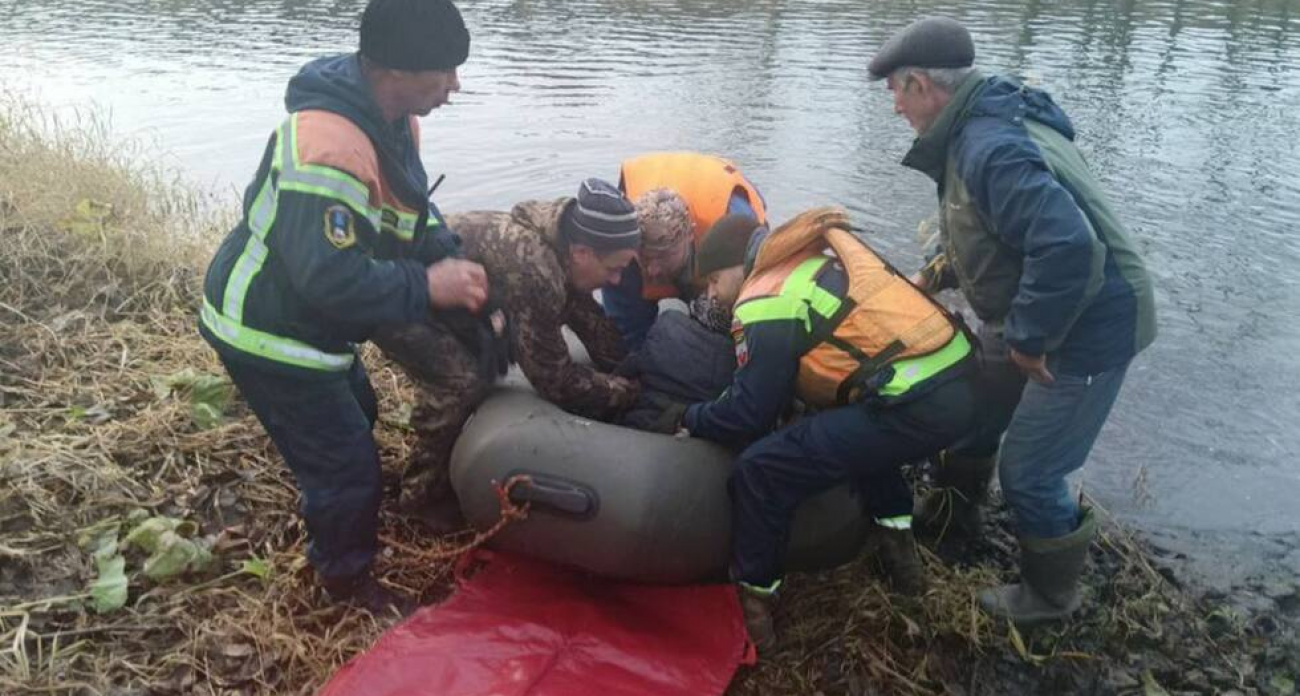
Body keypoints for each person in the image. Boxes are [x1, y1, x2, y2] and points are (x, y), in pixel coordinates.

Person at [869, 16, 1157, 625]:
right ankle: (954, 515)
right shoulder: (973, 126)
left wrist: (1028, 340)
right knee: (972, 401)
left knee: (1032, 468)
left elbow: (1070, 248)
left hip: (1091, 321)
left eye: (895, 90)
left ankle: (1051, 597)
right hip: (1044, 300)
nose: (894, 106)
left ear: (921, 84)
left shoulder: (989, 146)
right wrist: (939, 270)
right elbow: (989, 229)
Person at [198, 0, 483, 613]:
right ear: (400, 70)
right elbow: (327, 279)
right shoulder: (328, 146)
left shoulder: (395, 121)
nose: (455, 86)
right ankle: (345, 583)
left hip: (310, 324)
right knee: (351, 468)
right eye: (445, 71)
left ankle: (331, 493)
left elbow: (410, 205)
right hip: (265, 327)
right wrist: (428, 287)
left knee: (360, 408)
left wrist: (443, 250)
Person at [658, 210, 978, 653]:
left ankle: (754, 610)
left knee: (761, 469)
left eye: (713, 281)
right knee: (862, 442)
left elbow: (748, 414)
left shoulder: (763, 297)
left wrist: (689, 417)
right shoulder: (810, 261)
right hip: (955, 379)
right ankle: (901, 559)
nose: (713, 293)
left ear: (736, 266)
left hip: (912, 402)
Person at [375, 178, 643, 529]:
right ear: (582, 253)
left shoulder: (565, 239)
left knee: (477, 367)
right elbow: (554, 379)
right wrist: (625, 394)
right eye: (613, 269)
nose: (617, 281)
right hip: (398, 296)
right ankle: (419, 499)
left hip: (448, 295)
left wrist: (630, 365)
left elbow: (587, 317)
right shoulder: (537, 271)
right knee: (460, 382)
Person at [602, 152, 768, 350]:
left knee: (722, 321)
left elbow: (755, 305)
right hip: (661, 189)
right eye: (645, 257)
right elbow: (623, 323)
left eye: (663, 256)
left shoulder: (734, 225)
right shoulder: (625, 243)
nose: (652, 270)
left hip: (717, 191)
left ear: (690, 235)